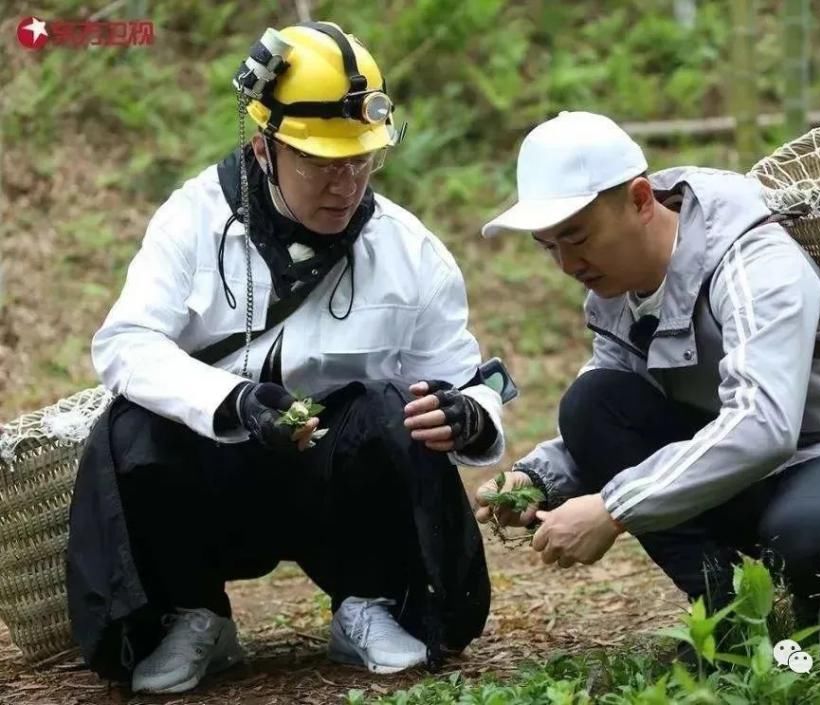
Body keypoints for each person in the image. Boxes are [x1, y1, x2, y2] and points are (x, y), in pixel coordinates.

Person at [67, 21, 506, 694]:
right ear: (263, 148)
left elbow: (464, 381)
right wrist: (232, 400)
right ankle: (196, 613)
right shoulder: (191, 220)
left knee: (397, 412)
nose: (346, 185)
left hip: (335, 491)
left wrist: (468, 415)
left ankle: (370, 598)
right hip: (214, 477)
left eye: (361, 162)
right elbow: (124, 344)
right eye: (322, 165)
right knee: (132, 428)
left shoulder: (408, 250)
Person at [475, 111, 820, 646]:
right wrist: (537, 480)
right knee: (592, 401)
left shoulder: (753, 262)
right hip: (744, 468)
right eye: (549, 245)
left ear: (642, 200)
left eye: (577, 237)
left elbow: (762, 424)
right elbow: (608, 417)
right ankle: (731, 624)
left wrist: (614, 509)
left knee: (812, 535)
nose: (565, 262)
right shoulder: (616, 291)